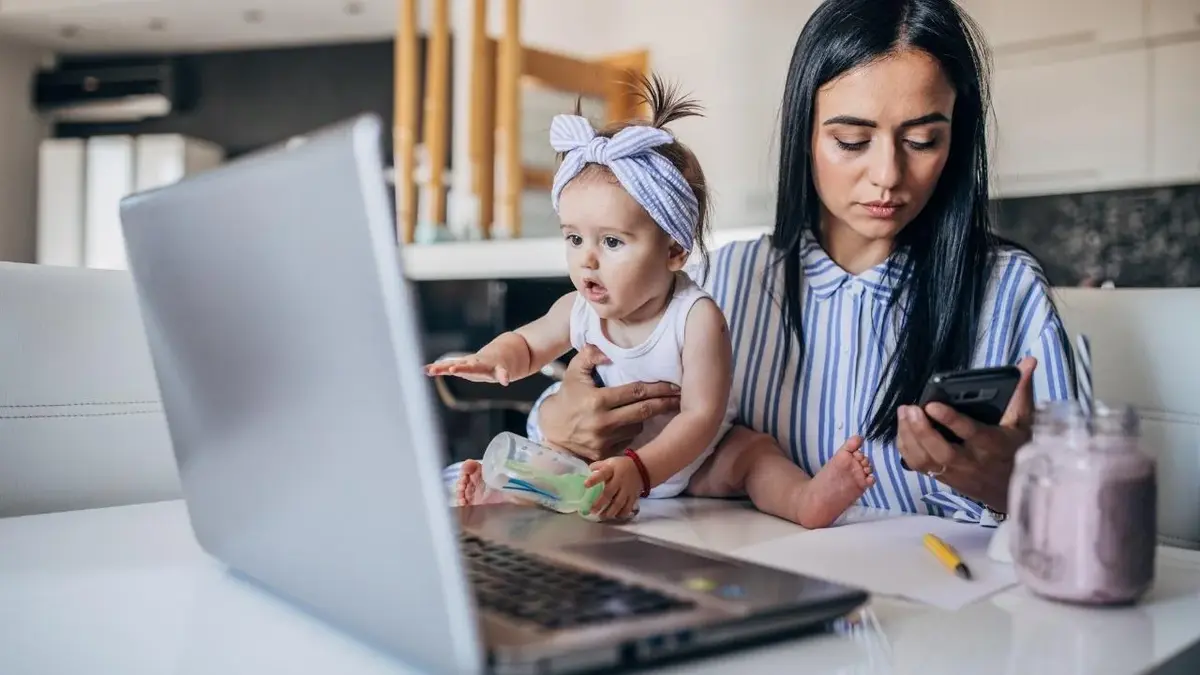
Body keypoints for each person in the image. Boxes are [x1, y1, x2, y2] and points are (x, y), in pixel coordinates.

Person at [522, 0, 1076, 527]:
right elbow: (579, 410)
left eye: (923, 140)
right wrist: (559, 423)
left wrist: (1013, 485)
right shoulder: (720, 282)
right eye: (852, 140)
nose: (887, 174)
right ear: (804, 133)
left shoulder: (1009, 293)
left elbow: (1091, 513)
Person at [431, 75, 875, 524]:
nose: (587, 260)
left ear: (674, 252)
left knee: (752, 455)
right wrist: (494, 358)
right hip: (606, 458)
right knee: (552, 459)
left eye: (612, 242)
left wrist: (642, 470)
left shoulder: (697, 318)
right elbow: (529, 345)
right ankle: (504, 492)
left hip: (696, 458)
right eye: (574, 238)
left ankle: (805, 501)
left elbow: (701, 417)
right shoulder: (578, 309)